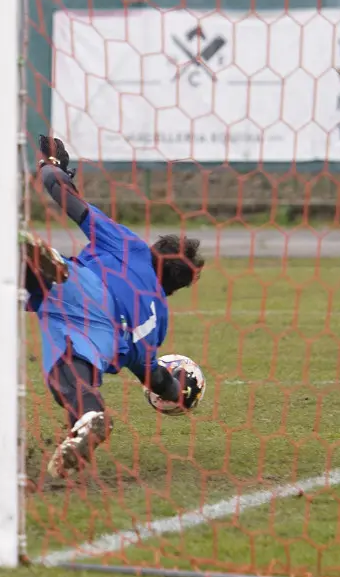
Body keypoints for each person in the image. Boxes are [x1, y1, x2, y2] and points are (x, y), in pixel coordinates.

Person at [23, 136, 205, 478]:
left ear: (153, 251)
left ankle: (40, 265)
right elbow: (154, 377)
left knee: (22, 267)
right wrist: (180, 394)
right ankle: (89, 417)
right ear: (174, 288)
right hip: (105, 337)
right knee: (73, 373)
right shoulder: (158, 319)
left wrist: (52, 167)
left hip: (88, 290)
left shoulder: (130, 246)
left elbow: (63, 195)